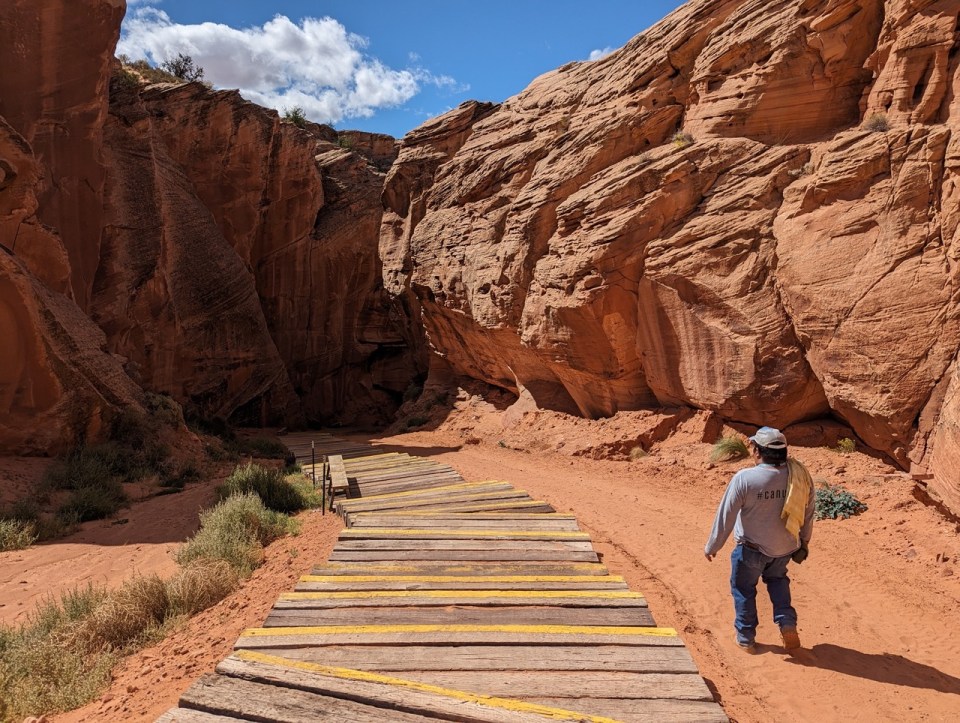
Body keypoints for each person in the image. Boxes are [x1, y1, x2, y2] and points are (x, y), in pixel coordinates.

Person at [704, 426, 814, 651]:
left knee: (743, 589)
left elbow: (726, 515)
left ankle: (746, 638)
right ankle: (787, 622)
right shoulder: (800, 476)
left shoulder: (745, 479)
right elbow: (808, 511)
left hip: (750, 550)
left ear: (757, 451)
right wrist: (804, 540)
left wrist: (713, 545)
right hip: (784, 548)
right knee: (777, 580)